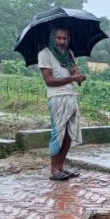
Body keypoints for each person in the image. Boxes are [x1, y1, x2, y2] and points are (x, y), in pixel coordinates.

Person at [38, 28, 86, 181]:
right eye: (58, 38)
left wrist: (77, 76)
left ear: (68, 38)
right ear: (53, 38)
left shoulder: (69, 54)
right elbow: (49, 81)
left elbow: (74, 77)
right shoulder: (45, 54)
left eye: (64, 38)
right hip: (57, 97)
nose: (62, 41)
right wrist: (72, 79)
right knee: (58, 133)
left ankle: (61, 167)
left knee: (69, 134)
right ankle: (53, 170)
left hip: (71, 96)